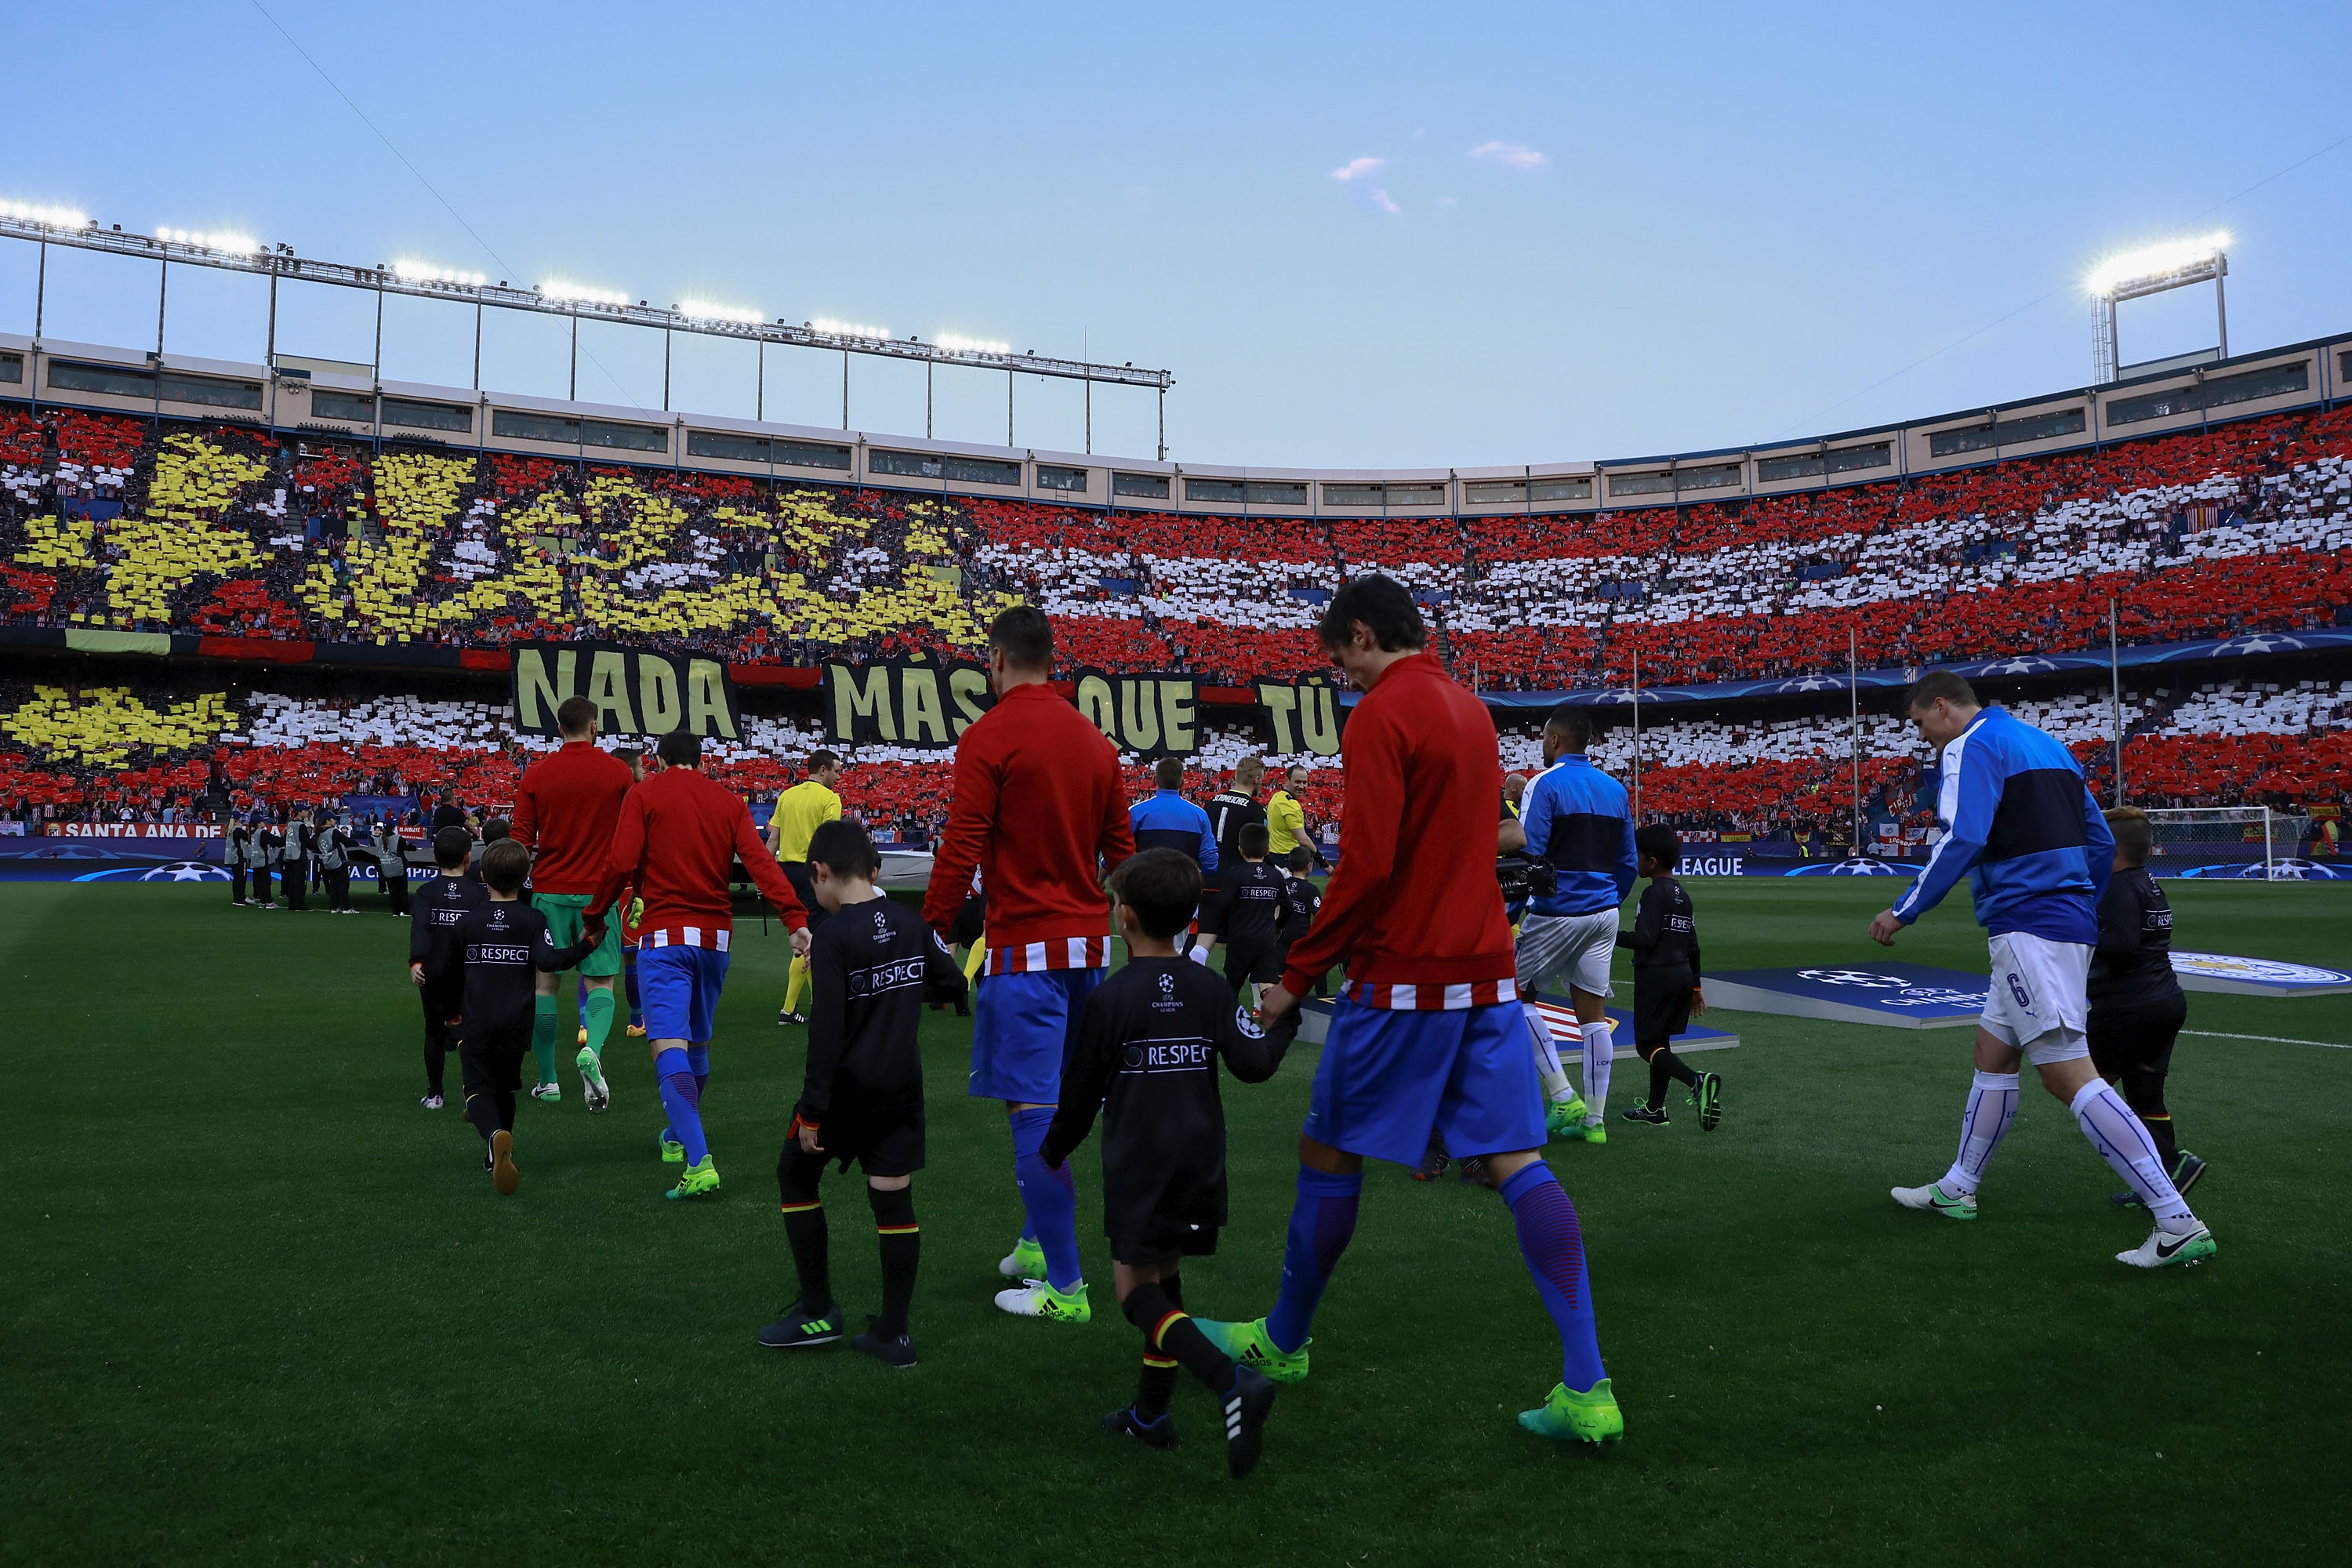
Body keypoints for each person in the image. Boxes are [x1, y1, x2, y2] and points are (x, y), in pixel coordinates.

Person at [1197, 573, 1622, 1445]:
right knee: (1518, 1162)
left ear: (1361, 632)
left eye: (1337, 657)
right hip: (1486, 970)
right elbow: (1486, 839)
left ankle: (1283, 1340)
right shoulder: (1470, 709)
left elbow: (1369, 865)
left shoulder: (1383, 713)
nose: (1340, 676)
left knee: (1327, 1150)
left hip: (1405, 976)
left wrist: (1297, 975)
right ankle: (1589, 1385)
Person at [1871, 671, 2213, 1269]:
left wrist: (1904, 910)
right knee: (1992, 1052)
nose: (1925, 738)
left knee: (2066, 1074)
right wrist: (2079, 902)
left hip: (2030, 922)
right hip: (2061, 918)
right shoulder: (2047, 744)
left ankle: (2175, 1219)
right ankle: (1958, 1188)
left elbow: (1963, 837)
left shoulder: (1971, 745)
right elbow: (2099, 842)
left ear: (1943, 707)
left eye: (1922, 724)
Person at [1040, 848, 1290, 1476]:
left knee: (1133, 1291)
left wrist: (1051, 1152)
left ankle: (1230, 1380)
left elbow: (1078, 1096)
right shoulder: (1209, 988)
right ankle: (1151, 1415)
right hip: (1200, 1159)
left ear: (1123, 916)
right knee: (1164, 1282)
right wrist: (1279, 1020)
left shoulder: (1111, 998)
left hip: (1141, 1161)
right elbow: (1255, 1064)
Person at [921, 604, 1135, 1323]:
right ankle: (1038, 1247)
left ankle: (1067, 1291)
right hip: (1089, 949)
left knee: (1034, 1113)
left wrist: (930, 927)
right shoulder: (1095, 741)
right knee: (1068, 1105)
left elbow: (962, 843)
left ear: (999, 659)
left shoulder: (991, 735)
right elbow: (1121, 856)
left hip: (1027, 950)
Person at [760, 819, 966, 1367]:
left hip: (846, 1092)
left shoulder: (832, 935)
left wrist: (811, 1113)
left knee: (795, 1174)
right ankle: (894, 1335)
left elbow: (826, 1035)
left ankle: (819, 1313)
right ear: (872, 870)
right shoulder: (908, 920)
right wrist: (896, 994)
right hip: (900, 1086)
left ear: (819, 872)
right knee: (892, 1198)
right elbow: (953, 983)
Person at [586, 729, 811, 1201]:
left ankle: (699, 1162)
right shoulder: (728, 802)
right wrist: (794, 918)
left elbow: (621, 861)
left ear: (661, 760)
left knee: (667, 1045)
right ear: (701, 761)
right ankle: (675, 1135)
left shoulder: (644, 793)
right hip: (716, 941)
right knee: (698, 1044)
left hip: (665, 937)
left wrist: (595, 915)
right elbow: (759, 863)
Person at [445, 839, 604, 1195]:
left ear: (482, 875)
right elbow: (550, 962)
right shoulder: (533, 919)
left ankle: (494, 1138)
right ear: (526, 877)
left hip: (478, 1019)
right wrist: (587, 945)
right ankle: (497, 1155)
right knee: (505, 1087)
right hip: (518, 1021)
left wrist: (449, 1014)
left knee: (476, 1089)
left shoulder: (469, 922)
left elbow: (450, 971)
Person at [1515, 705, 1638, 1141]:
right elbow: (1629, 861)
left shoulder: (1543, 784)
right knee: (1593, 1015)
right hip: (1604, 911)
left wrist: (1515, 909)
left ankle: (1564, 1098)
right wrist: (1607, 899)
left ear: (1554, 740)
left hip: (1557, 910)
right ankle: (1596, 1122)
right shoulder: (1615, 788)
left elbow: (1529, 853)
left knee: (1515, 1000)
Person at [512, 695, 637, 1111]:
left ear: (559, 729)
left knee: (545, 984)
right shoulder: (618, 772)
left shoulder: (538, 773)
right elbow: (633, 835)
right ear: (595, 726)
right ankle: (593, 1052)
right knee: (600, 982)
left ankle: (548, 1081)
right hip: (600, 893)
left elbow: (521, 838)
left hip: (550, 891)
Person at [2089, 805, 2205, 1206]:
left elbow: (2120, 945)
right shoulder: (2147, 882)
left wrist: (2076, 937)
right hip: (2164, 1000)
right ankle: (2161, 1184)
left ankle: (2173, 1163)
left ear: (2112, 848)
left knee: (2086, 1090)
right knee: (2145, 1094)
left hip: (2128, 1007)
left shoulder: (2117, 887)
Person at [1615, 826, 1720, 1130]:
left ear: (1651, 861)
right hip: (1682, 974)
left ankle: (1697, 1081)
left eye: (1637, 855)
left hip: (1656, 976)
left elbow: (1646, 938)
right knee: (1660, 1043)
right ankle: (1655, 1109)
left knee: (1645, 1046)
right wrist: (1696, 987)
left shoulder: (1652, 893)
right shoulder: (1682, 895)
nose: (1634, 860)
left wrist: (1609, 935)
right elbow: (1693, 945)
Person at [409, 827, 486, 1109]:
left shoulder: (427, 892)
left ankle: (435, 1094)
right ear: (469, 857)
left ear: (434, 857)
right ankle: (474, 1096)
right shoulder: (479, 894)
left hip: (433, 973)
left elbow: (420, 930)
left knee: (433, 1032)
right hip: (470, 975)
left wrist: (416, 963)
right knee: (473, 1034)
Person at [769, 750, 846, 1026]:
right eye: (836, 771)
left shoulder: (787, 796)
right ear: (823, 770)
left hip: (787, 872)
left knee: (808, 933)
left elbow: (773, 840)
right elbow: (829, 841)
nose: (839, 777)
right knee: (813, 939)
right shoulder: (829, 799)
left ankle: (819, 1002)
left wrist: (765, 878)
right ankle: (788, 1011)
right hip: (813, 872)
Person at [1191, 822, 1294, 1007]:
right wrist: (1277, 927)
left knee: (1232, 984)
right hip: (1266, 940)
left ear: (1240, 850)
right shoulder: (1275, 876)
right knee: (1268, 985)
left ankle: (1227, 1026)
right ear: (1268, 850)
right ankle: (1275, 1023)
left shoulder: (1236, 873)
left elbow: (1224, 903)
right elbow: (1287, 907)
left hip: (1240, 940)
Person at [1129, 757, 1219, 873]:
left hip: (1146, 885)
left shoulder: (1136, 812)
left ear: (1154, 780)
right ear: (1182, 783)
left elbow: (1118, 851)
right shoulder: (1199, 815)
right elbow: (1209, 862)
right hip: (1184, 885)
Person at [1202, 758, 1266, 902]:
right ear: (1256, 780)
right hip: (1237, 886)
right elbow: (1260, 853)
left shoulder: (1211, 803)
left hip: (1207, 882)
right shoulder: (1256, 811)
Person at [1275, 847, 1322, 996]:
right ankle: (1321, 1000)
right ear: (1310, 865)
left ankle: (1279, 1003)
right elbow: (1320, 915)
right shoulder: (1311, 890)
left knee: (1280, 973)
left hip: (1281, 937)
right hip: (1301, 938)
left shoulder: (1283, 884)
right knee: (1316, 970)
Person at [1265, 764, 1327, 870]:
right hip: (1287, 859)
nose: (1302, 786)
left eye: (1305, 782)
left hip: (1273, 857)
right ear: (1287, 781)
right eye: (1297, 782)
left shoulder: (1276, 797)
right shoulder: (1291, 805)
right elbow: (1304, 840)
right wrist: (1324, 863)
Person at [315, 809, 355, 913]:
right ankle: (347, 908)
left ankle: (335, 907)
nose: (335, 821)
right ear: (328, 821)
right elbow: (347, 841)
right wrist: (357, 844)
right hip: (339, 862)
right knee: (343, 885)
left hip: (327, 862)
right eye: (334, 819)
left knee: (333, 886)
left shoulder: (318, 833)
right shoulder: (333, 832)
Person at [373, 816, 411, 916]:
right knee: (402, 890)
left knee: (393, 891)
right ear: (394, 827)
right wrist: (413, 846)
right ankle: (405, 911)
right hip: (398, 867)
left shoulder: (381, 839)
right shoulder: (397, 838)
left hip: (386, 867)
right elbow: (408, 848)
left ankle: (396, 911)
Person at [279, 809, 312, 913]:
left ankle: (292, 904)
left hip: (290, 855)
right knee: (300, 882)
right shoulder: (301, 826)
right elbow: (306, 841)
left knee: (292, 881)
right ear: (299, 812)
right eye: (305, 811)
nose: (307, 813)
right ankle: (300, 905)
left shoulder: (290, 824)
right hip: (299, 855)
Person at [227, 815, 254, 906]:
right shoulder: (238, 830)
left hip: (232, 857)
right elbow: (249, 838)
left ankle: (237, 898)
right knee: (241, 878)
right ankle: (240, 898)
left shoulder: (230, 830)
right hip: (239, 856)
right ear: (237, 821)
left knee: (236, 878)